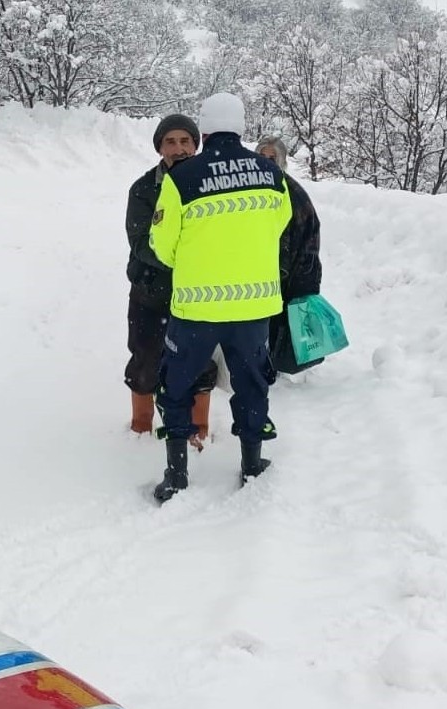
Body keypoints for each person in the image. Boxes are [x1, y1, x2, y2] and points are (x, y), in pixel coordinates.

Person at [148, 93, 292, 504]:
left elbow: (163, 245)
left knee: (176, 387)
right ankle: (251, 464)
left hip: (196, 308)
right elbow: (277, 226)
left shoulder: (182, 178)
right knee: (251, 384)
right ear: (242, 127)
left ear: (204, 130)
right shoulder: (270, 173)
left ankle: (176, 475)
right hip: (253, 308)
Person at [124, 114, 218, 444]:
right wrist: (184, 262)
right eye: (170, 142)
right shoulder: (143, 189)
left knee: (200, 361)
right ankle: (141, 426)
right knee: (146, 358)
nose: (179, 148)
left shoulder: (212, 185)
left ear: (196, 145)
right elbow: (140, 242)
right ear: (160, 148)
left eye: (185, 141)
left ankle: (199, 429)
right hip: (151, 291)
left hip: (200, 294)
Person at [254, 137, 323, 376]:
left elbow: (310, 234)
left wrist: (304, 275)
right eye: (261, 157)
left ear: (281, 162)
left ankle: (275, 365)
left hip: (288, 274)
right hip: (256, 271)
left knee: (281, 324)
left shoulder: (293, 193)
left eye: (271, 158)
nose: (266, 162)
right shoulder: (249, 190)